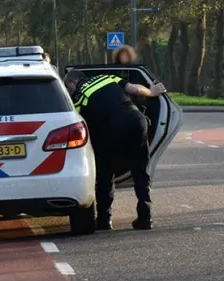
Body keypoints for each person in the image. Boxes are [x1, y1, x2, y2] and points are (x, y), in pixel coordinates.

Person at [63, 68, 166, 231]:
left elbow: (80, 125)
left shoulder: (78, 98)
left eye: (67, 88)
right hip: (137, 120)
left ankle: (104, 220)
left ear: (72, 82)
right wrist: (152, 92)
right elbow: (136, 89)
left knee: (105, 174)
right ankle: (145, 218)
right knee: (140, 171)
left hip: (112, 128)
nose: (68, 92)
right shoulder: (106, 78)